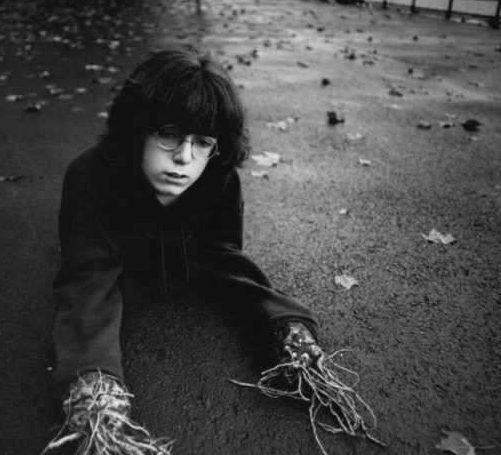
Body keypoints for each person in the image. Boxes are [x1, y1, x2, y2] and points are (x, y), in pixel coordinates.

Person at [44, 49, 322, 454]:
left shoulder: (218, 177)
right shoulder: (91, 174)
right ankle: (97, 396)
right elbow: (87, 276)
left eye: (202, 142)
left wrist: (278, 319)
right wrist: (92, 374)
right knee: (92, 288)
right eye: (169, 133)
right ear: (137, 129)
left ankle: (290, 335)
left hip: (191, 249)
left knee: (223, 265)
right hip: (110, 250)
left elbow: (226, 254)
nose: (184, 158)